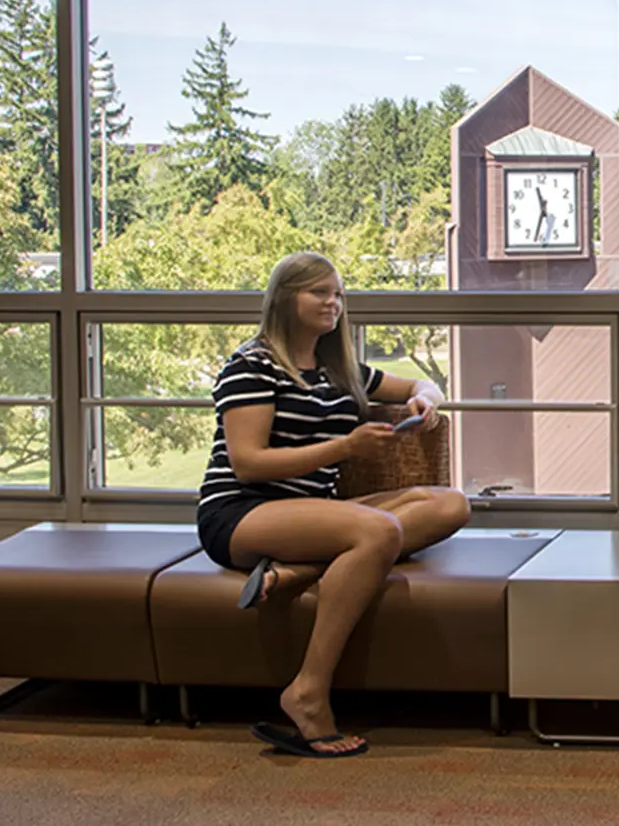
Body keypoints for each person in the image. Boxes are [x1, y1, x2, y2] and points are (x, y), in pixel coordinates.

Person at [196, 252, 472, 759]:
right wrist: (345, 448)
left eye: (338, 294)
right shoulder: (252, 365)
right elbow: (249, 463)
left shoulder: (335, 367)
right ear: (285, 298)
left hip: (313, 510)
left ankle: (296, 571)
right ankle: (308, 691)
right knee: (379, 531)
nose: (333, 303)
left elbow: (418, 383)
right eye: (319, 292)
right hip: (243, 512)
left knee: (451, 504)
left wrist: (425, 401)